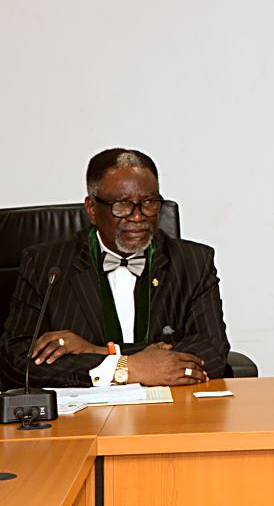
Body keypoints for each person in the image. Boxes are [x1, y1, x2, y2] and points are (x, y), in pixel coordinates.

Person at [0, 149, 230, 387]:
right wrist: (128, 368)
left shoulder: (192, 261)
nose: (138, 217)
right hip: (83, 418)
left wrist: (102, 352)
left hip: (171, 410)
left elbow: (212, 352)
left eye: (149, 203)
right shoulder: (46, 265)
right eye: (122, 205)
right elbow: (16, 360)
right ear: (91, 209)